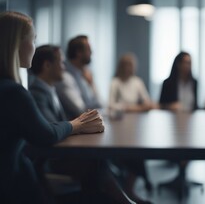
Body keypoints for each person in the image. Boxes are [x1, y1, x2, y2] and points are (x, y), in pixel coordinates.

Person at [0, 11, 104, 204]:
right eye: (32, 40)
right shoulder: (14, 93)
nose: (33, 47)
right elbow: (46, 134)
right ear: (16, 44)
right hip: (14, 188)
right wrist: (78, 124)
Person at [28, 45, 149, 204]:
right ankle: (124, 200)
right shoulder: (38, 92)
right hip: (51, 161)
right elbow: (52, 129)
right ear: (47, 65)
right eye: (61, 63)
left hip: (59, 153)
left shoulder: (49, 90)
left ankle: (121, 199)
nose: (64, 68)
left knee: (98, 163)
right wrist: (78, 125)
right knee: (96, 162)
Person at [109, 53, 155, 198]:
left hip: (137, 126)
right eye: (128, 65)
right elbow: (111, 105)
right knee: (135, 153)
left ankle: (130, 189)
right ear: (122, 67)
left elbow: (148, 103)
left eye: (132, 65)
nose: (131, 68)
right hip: (119, 127)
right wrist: (136, 107)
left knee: (138, 150)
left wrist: (128, 107)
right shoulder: (115, 82)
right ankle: (134, 187)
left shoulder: (137, 82)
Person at [158, 52, 200, 194]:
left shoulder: (194, 83)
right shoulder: (168, 83)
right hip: (172, 125)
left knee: (191, 144)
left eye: (190, 62)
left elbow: (196, 106)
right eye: (185, 62)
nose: (188, 66)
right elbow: (160, 105)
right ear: (178, 64)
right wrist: (170, 106)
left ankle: (182, 176)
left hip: (191, 124)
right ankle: (180, 177)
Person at [55, 35, 102, 119]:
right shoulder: (64, 77)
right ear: (79, 53)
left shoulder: (82, 75)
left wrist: (91, 83)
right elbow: (81, 111)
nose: (91, 52)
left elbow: (99, 104)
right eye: (88, 49)